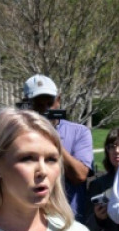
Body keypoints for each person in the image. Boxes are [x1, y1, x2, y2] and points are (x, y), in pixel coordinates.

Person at [22, 74, 94, 219]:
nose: (45, 110)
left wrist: (52, 137)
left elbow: (79, 176)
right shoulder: (18, 135)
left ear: (58, 100)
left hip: (68, 219)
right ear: (27, 104)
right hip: (29, 218)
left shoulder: (79, 132)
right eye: (38, 105)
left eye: (50, 103)